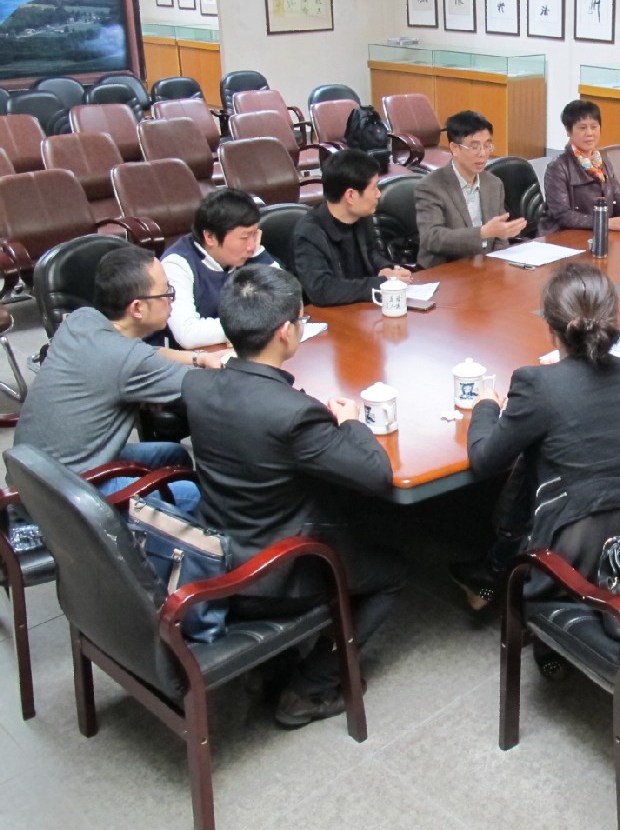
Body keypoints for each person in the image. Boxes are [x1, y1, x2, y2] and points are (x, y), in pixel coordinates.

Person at [183, 264, 407, 729]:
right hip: (276, 572)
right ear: (286, 331)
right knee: (392, 573)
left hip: (218, 549)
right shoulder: (294, 414)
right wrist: (351, 422)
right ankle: (310, 685)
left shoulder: (197, 384)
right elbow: (375, 473)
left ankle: (274, 665)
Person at [453, 266, 620, 674]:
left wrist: (486, 406)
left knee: (536, 461)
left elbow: (484, 460)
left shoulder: (538, 385)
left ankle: (495, 570)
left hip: (568, 554)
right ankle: (493, 572)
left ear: (551, 329)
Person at [13, 245, 228, 513]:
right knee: (191, 494)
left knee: (174, 455)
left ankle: (165, 525)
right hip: (64, 497)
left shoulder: (82, 319)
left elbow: (142, 354)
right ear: (137, 308)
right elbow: (209, 388)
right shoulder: (130, 360)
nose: (172, 300)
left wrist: (198, 358)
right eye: (167, 293)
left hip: (32, 474)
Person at [293, 148, 413, 306]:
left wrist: (385, 269)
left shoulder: (361, 216)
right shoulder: (309, 233)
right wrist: (382, 282)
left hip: (362, 310)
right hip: (330, 316)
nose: (378, 194)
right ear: (350, 195)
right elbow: (322, 290)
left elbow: (371, 253)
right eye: (374, 187)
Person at [160, 188, 278, 349]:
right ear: (210, 237)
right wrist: (256, 324)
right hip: (191, 359)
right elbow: (187, 333)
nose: (252, 245)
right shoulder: (177, 264)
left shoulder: (249, 253)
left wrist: (259, 254)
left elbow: (288, 301)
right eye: (244, 237)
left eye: (255, 234)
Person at [413, 110, 527, 268]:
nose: (483, 154)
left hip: (484, 267)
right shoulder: (430, 186)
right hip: (446, 270)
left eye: (487, 146)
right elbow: (432, 238)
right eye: (474, 147)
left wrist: (497, 266)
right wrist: (483, 233)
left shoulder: (494, 183)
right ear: (454, 148)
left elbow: (499, 238)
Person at [538, 99, 620, 236]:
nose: (589, 133)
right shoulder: (558, 167)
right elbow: (562, 215)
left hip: (597, 233)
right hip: (562, 237)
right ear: (568, 131)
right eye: (582, 128)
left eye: (594, 127)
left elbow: (619, 196)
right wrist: (605, 223)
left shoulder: (602, 163)